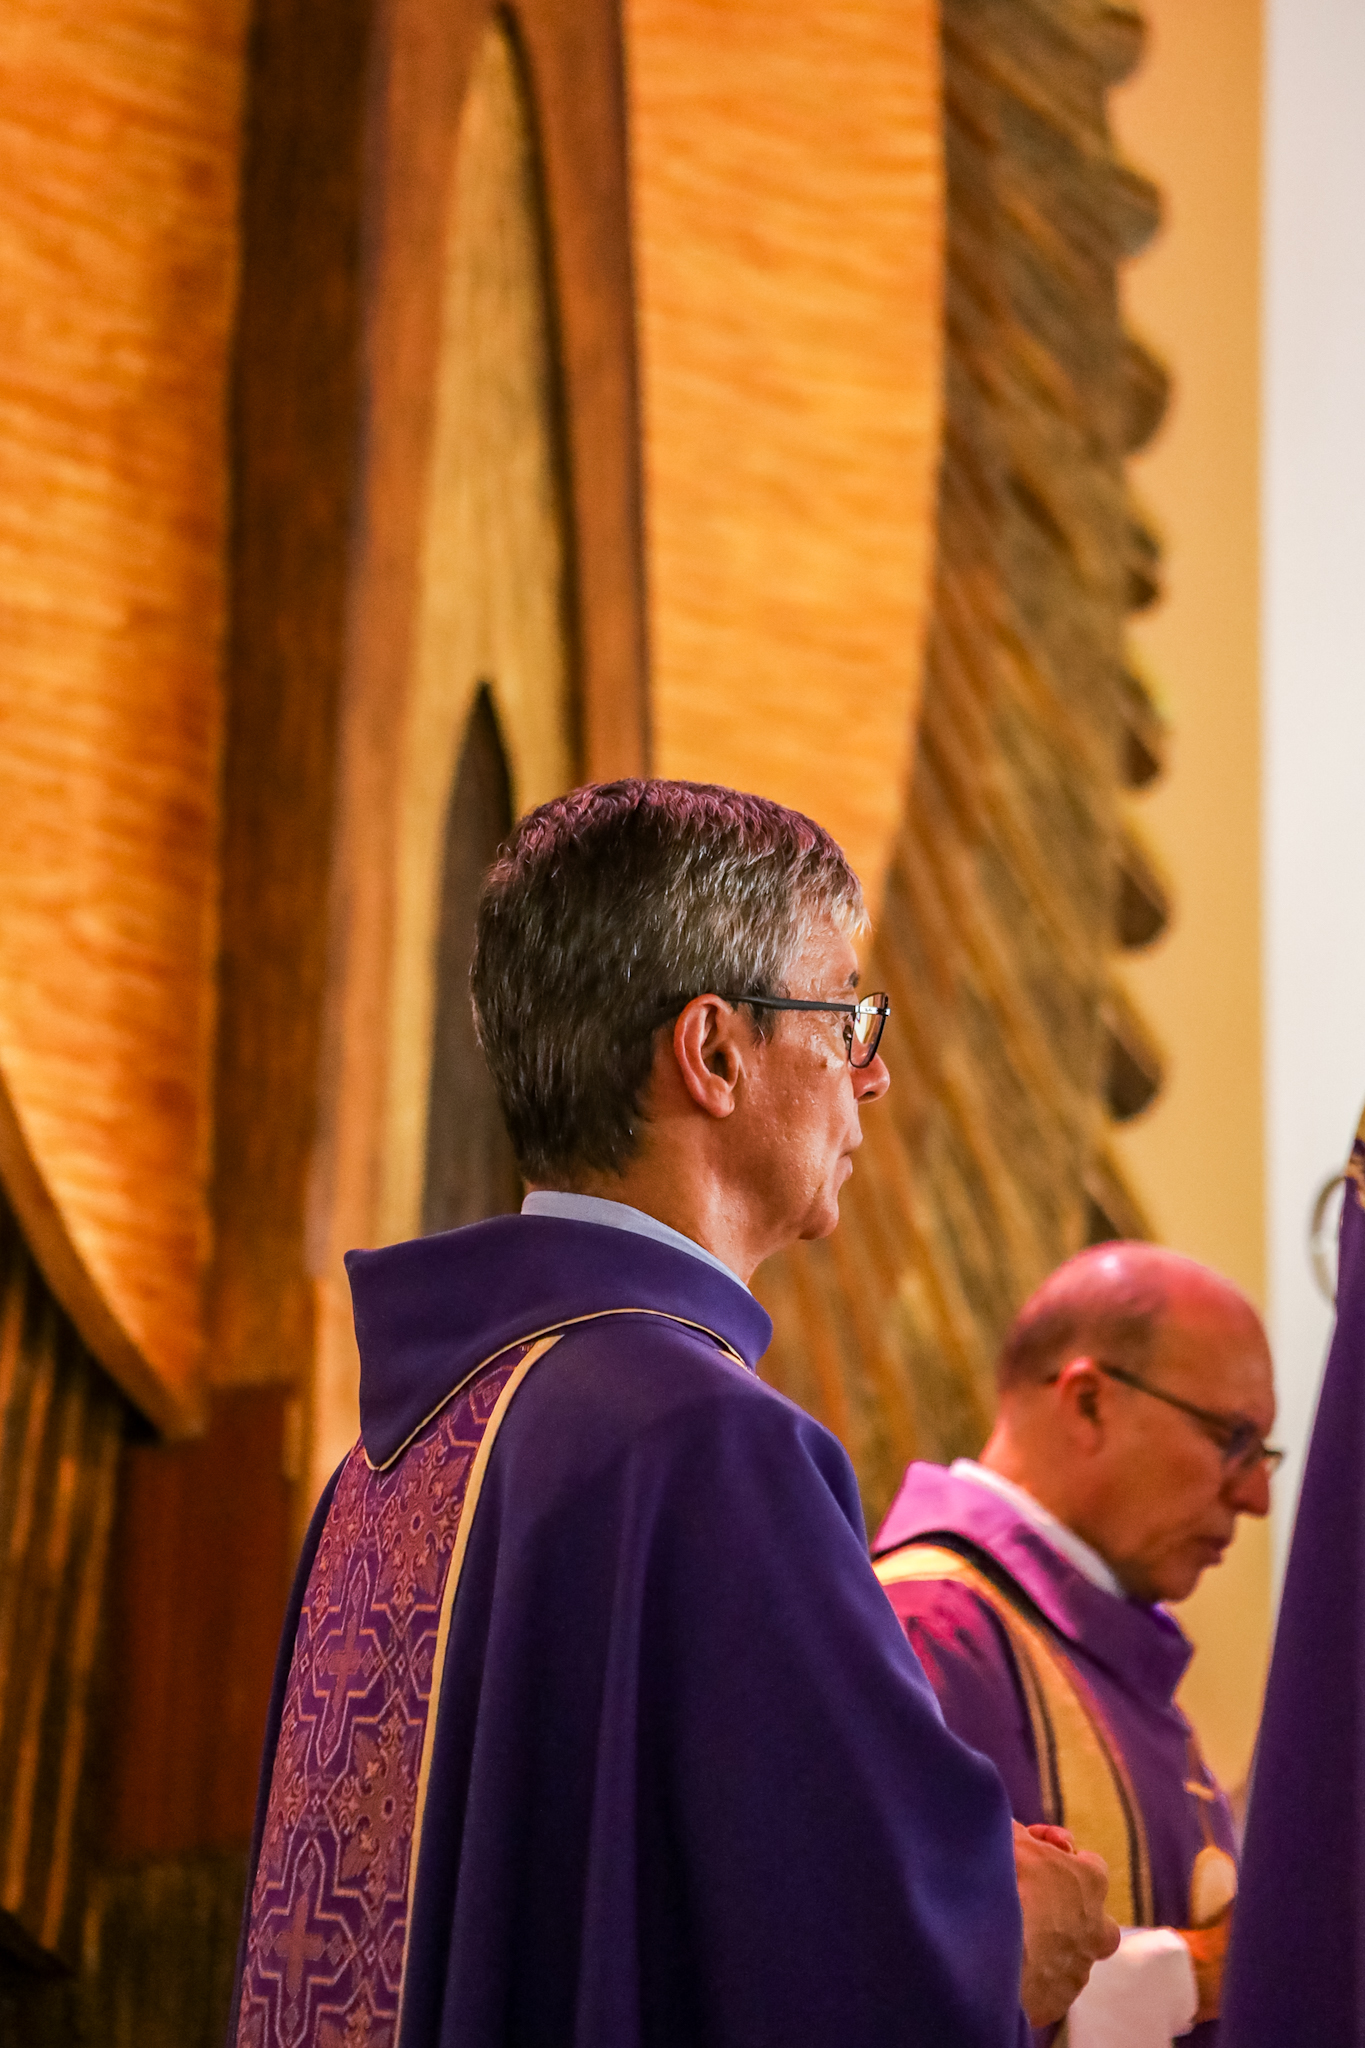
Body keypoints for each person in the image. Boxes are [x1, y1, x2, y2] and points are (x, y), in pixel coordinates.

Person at [228, 781, 1115, 2048]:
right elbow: (867, 1977)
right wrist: (1007, 1931)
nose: (873, 1074)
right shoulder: (704, 1443)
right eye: (847, 1015)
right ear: (715, 1054)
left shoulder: (394, 1454)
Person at [873, 1244, 1278, 2048]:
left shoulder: (1097, 1643)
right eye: (1231, 1439)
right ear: (1088, 1403)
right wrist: (1202, 1971)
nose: (1255, 1495)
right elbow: (901, 1989)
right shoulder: (930, 1630)